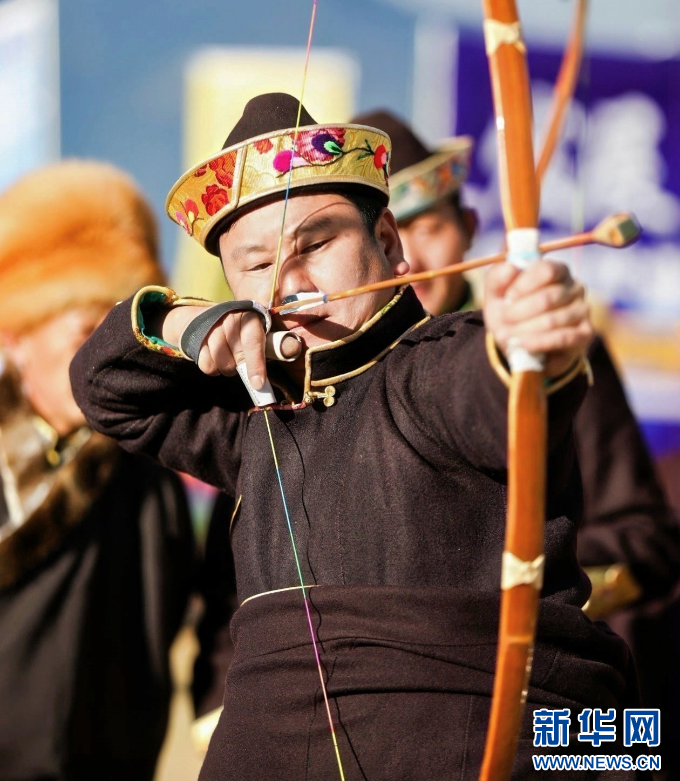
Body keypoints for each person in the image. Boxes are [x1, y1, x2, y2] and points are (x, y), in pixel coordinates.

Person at [72, 93, 638, 781]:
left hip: (476, 743)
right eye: (255, 265)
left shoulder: (435, 361)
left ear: (390, 245)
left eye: (316, 244)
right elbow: (104, 386)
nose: (291, 282)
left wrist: (520, 343)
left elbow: (484, 386)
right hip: (271, 749)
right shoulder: (252, 412)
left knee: (630, 742)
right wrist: (185, 324)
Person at [361, 108, 680, 619]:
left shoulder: (552, 347)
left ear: (469, 227)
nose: (409, 260)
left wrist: (528, 587)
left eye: (429, 228)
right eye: (382, 239)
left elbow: (644, 539)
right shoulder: (329, 380)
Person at [0, 160, 195, 781]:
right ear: (16, 339)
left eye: (119, 343)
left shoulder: (149, 471)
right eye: (86, 333)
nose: (102, 363)